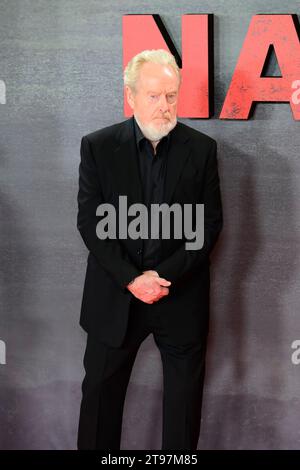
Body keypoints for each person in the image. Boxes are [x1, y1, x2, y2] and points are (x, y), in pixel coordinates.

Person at [76, 49, 223, 450]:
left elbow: (207, 226)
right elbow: (91, 223)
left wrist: (162, 278)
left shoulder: (202, 149)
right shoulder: (98, 146)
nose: (165, 106)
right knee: (99, 405)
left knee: (183, 411)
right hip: (115, 298)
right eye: (155, 96)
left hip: (180, 297)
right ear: (132, 96)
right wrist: (131, 279)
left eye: (171, 96)